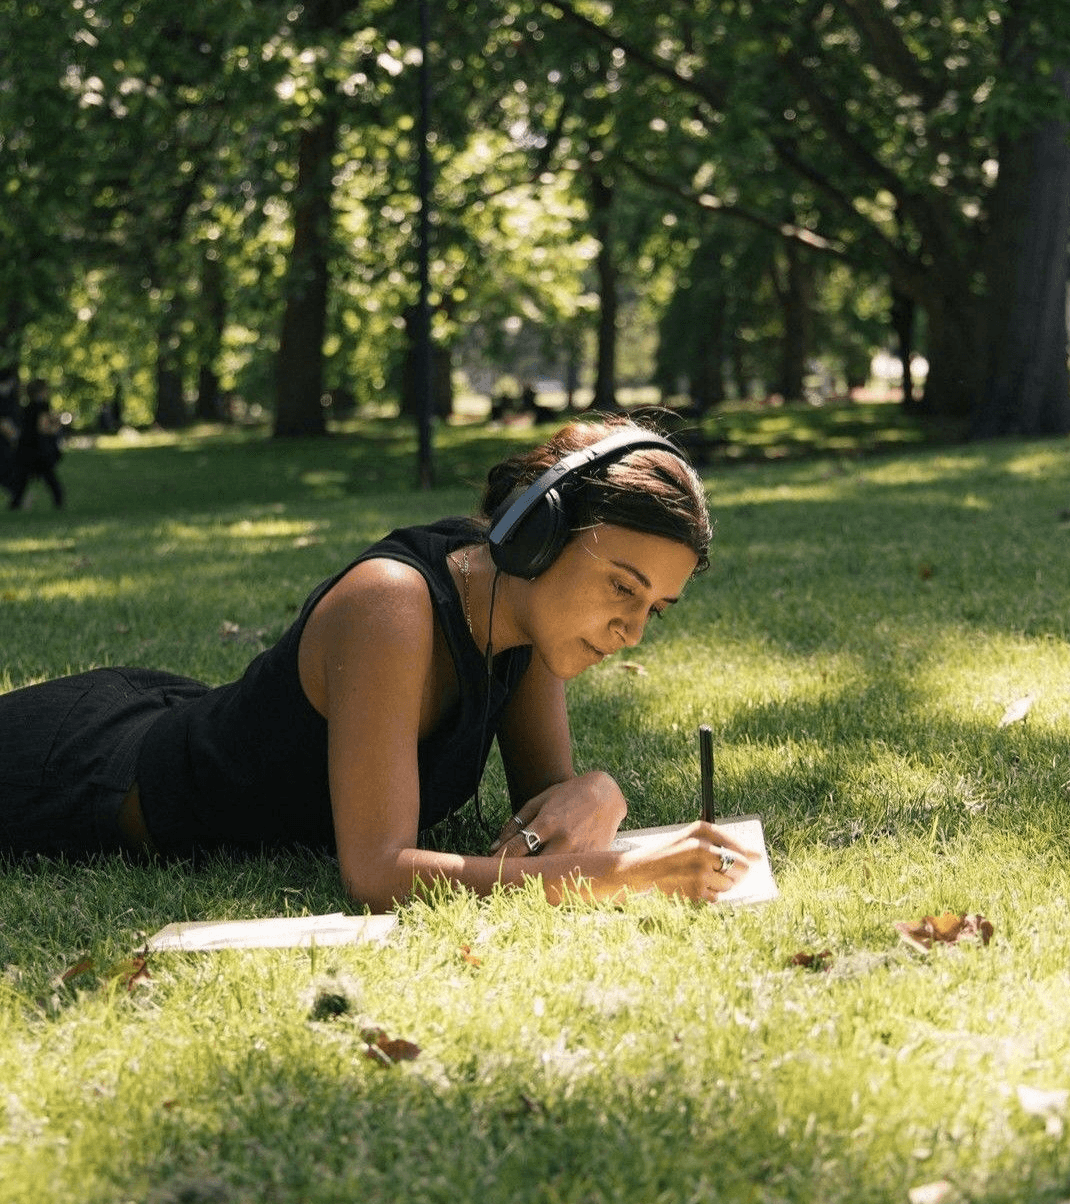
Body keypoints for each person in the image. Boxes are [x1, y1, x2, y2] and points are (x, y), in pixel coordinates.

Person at [0, 415, 756, 909]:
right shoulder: (391, 604)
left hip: (176, 716)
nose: (631, 631)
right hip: (78, 771)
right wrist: (624, 874)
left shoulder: (525, 628)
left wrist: (599, 793)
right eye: (622, 587)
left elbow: (543, 815)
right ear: (539, 534)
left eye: (653, 607)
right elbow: (378, 874)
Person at [8, 377, 64, 510]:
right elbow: (43, 427)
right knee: (48, 477)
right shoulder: (42, 406)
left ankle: (15, 503)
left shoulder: (26, 408)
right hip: (38, 448)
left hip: (25, 447)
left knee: (23, 479)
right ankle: (59, 501)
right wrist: (57, 426)